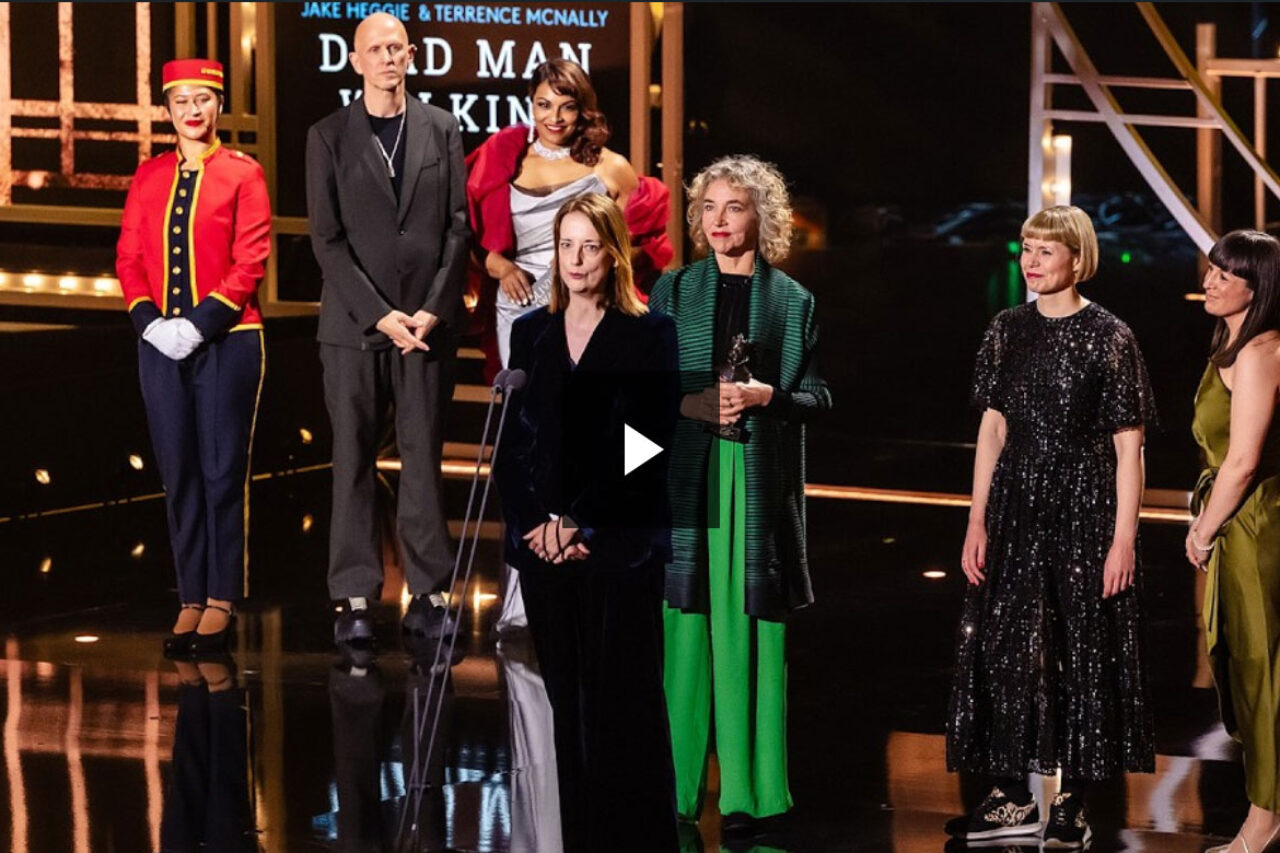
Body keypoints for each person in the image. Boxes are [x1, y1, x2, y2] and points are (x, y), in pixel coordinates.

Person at [946, 205, 1157, 847]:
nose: (1030, 262)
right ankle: (1012, 795)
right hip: (1013, 505)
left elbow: (1130, 447)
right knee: (1006, 645)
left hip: (1084, 506)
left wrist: (1123, 538)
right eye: (1024, 250)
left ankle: (1072, 799)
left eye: (1043, 251)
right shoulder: (1007, 327)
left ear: (1076, 258)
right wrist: (976, 518)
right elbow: (993, 428)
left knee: (1080, 648)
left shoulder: (1110, 335)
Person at [649, 155, 831, 836]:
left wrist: (768, 396)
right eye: (708, 208)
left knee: (753, 635)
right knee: (684, 633)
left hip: (754, 485)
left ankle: (752, 796)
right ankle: (673, 786)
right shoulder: (672, 291)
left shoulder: (792, 301)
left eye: (733, 207)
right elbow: (645, 390)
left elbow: (819, 396)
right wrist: (698, 402)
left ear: (763, 217)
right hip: (690, 480)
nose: (718, 221)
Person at [493, 192, 680, 851]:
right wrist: (536, 526)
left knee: (624, 709)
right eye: (565, 245)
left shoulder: (649, 333)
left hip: (618, 547)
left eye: (588, 245)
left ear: (613, 252)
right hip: (545, 552)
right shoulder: (530, 334)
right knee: (568, 710)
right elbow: (514, 449)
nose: (575, 259)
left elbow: (649, 443)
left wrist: (582, 522)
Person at [465, 57, 673, 634]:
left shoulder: (611, 168)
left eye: (567, 105)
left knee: (589, 435)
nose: (554, 117)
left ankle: (581, 543)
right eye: (543, 104)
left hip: (581, 309)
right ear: (529, 105)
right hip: (519, 315)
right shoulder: (504, 157)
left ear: (584, 111)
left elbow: (635, 244)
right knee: (526, 443)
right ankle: (525, 583)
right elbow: (468, 233)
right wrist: (496, 261)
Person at [305, 12, 469, 648]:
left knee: (423, 457)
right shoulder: (328, 135)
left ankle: (429, 593)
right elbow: (326, 238)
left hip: (426, 326)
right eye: (375, 49)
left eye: (396, 48)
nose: (387, 58)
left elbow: (457, 228)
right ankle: (352, 597)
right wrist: (380, 313)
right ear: (355, 60)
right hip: (353, 327)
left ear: (411, 55)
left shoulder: (442, 128)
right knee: (351, 460)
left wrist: (431, 307)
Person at [116, 58, 270, 657]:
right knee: (178, 471)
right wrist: (151, 323)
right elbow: (129, 257)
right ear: (168, 109)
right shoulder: (148, 175)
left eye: (202, 99)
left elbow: (251, 260)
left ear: (217, 105)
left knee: (221, 471)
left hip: (229, 341)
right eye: (181, 101)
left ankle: (222, 597)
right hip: (159, 345)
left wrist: (200, 324)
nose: (192, 111)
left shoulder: (242, 173)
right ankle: (189, 594)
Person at [1187, 230, 1280, 853]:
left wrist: (1204, 526)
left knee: (1260, 672)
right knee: (1244, 666)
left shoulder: (1258, 353)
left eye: (1226, 274)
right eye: (1213, 269)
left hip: (1252, 524)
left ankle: (1263, 822)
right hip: (1240, 519)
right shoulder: (1234, 342)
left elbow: (1243, 460)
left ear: (1260, 288)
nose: (1211, 281)